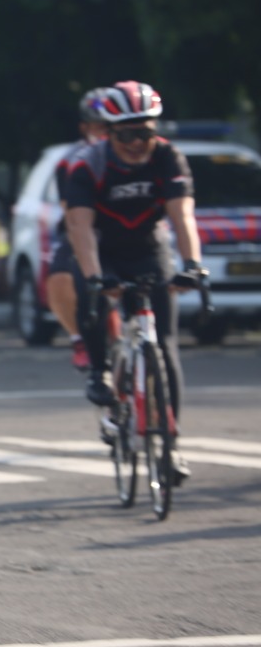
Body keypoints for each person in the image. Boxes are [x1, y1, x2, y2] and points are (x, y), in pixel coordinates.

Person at [64, 80, 205, 484]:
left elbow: (182, 217)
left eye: (145, 132)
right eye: (127, 134)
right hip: (102, 248)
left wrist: (192, 264)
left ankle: (171, 446)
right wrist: (95, 278)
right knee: (87, 291)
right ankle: (98, 369)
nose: (138, 142)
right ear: (109, 132)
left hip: (147, 247)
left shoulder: (168, 158)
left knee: (164, 345)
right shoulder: (87, 165)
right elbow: (80, 227)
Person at [46, 89, 109, 372]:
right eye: (98, 125)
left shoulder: (146, 151)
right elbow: (70, 210)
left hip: (131, 232)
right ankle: (79, 338)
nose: (105, 132)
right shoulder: (72, 159)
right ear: (84, 126)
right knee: (60, 276)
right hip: (84, 228)